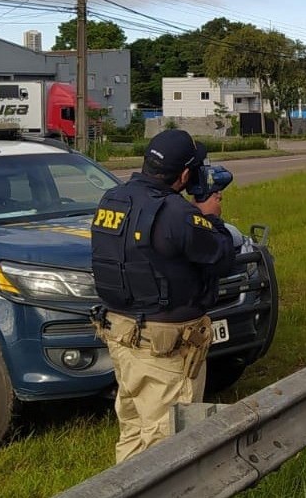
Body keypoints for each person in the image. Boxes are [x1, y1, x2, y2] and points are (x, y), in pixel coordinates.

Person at [90, 129, 237, 463]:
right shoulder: (179, 216)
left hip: (123, 337)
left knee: (133, 430)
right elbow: (222, 257)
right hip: (166, 351)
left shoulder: (112, 200)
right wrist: (210, 217)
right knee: (168, 447)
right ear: (184, 175)